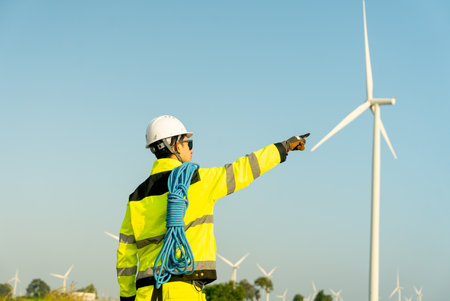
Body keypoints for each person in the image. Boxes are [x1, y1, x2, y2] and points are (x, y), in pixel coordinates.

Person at [116, 115, 309, 301]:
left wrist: (127, 296)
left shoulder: (135, 197)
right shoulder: (198, 180)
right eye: (188, 143)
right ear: (175, 145)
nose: (191, 150)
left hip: (144, 294)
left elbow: (125, 256)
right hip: (184, 292)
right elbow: (244, 169)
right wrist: (282, 148)